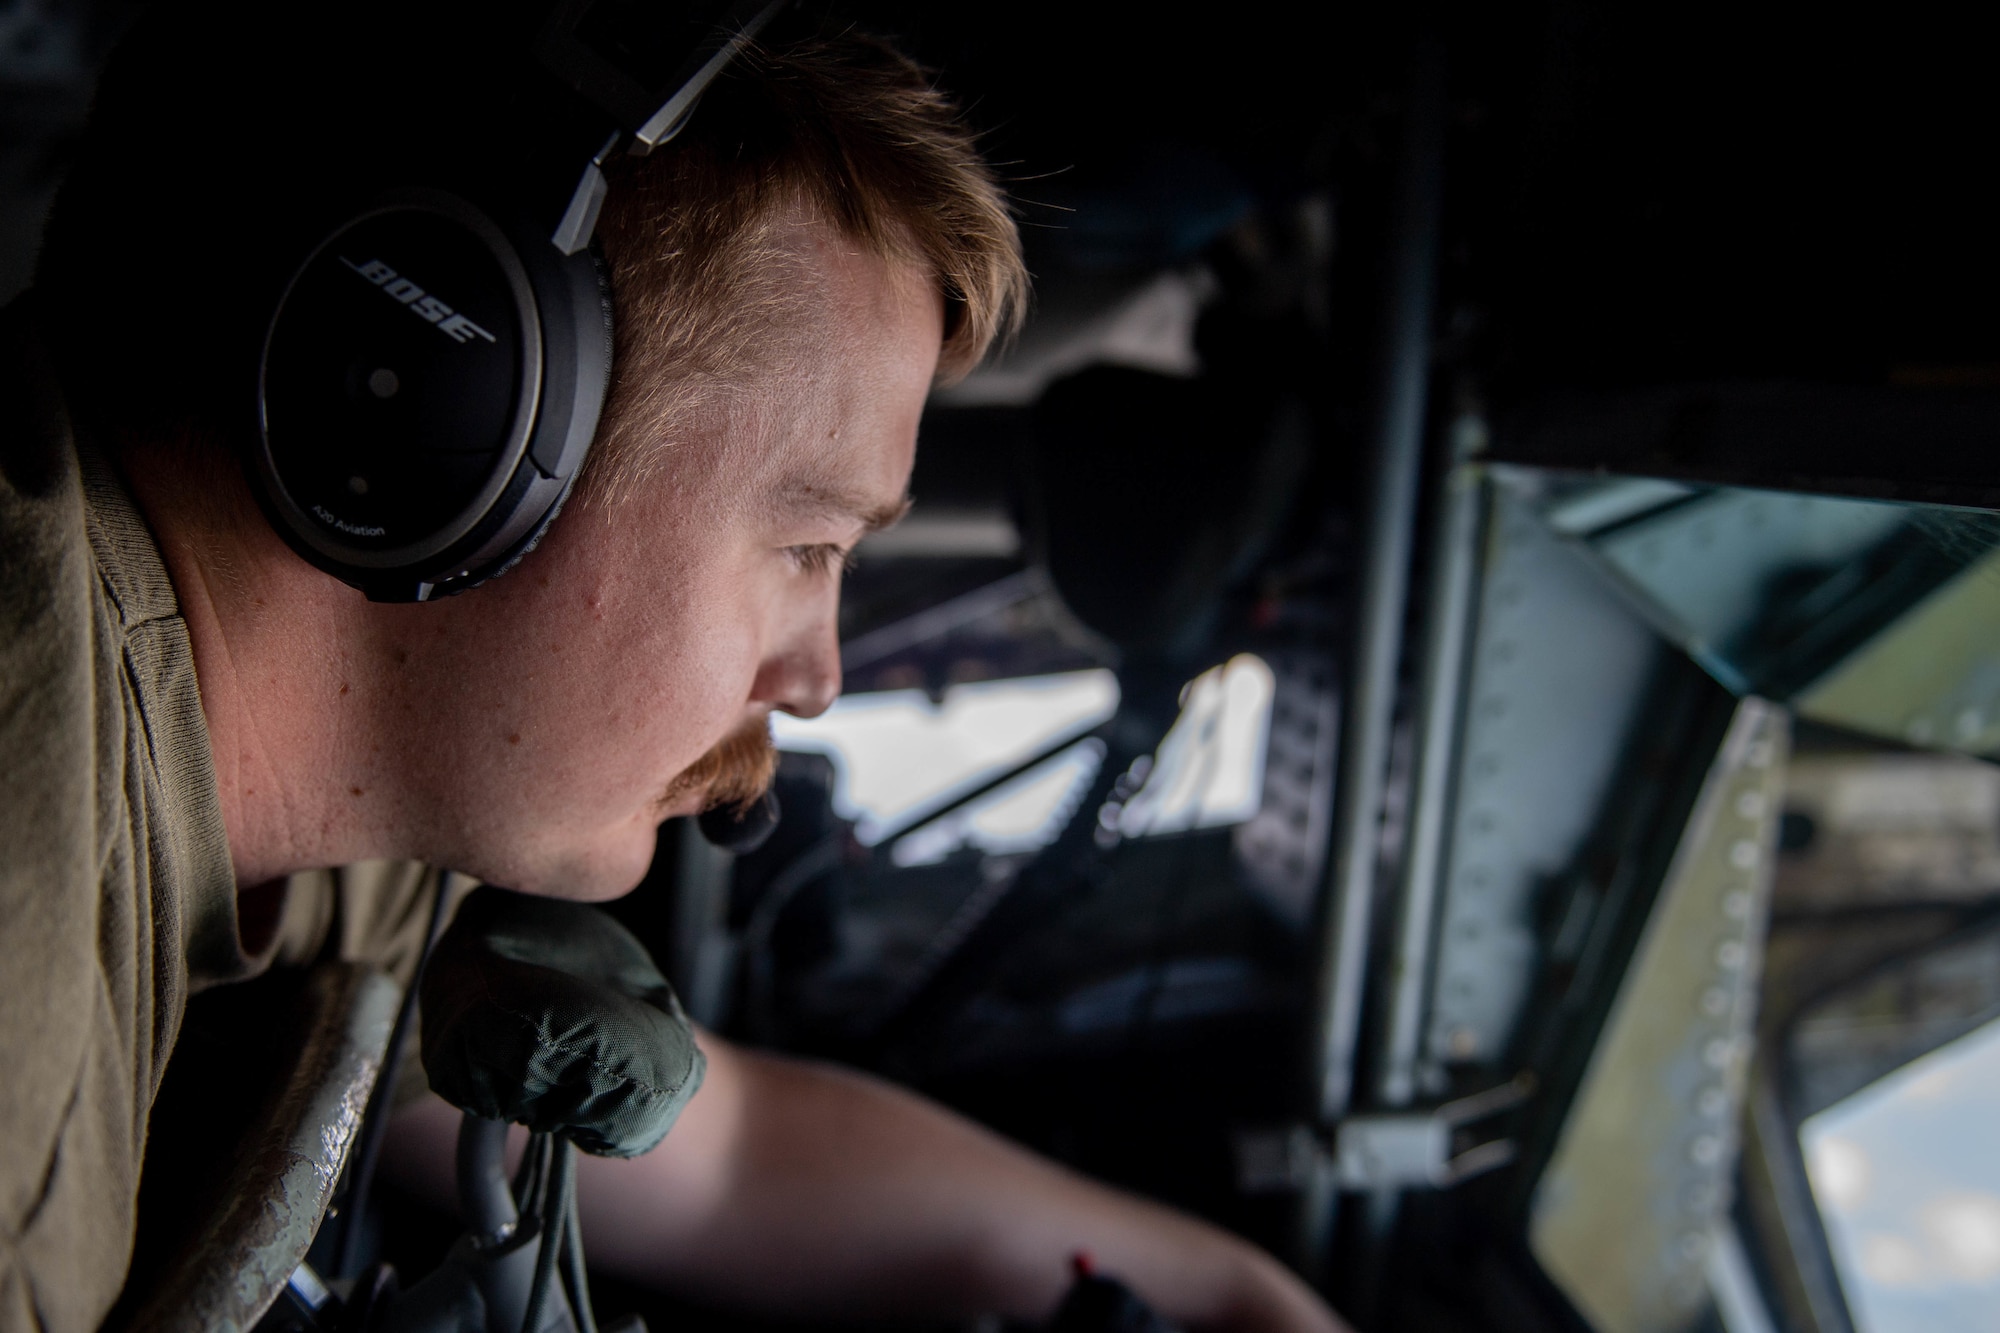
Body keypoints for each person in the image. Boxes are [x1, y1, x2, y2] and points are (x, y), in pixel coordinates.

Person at [0, 3, 1347, 1329]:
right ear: (442, 391)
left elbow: (738, 1164)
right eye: (812, 543)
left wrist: (1242, 1293)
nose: (816, 675)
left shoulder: (310, 810)